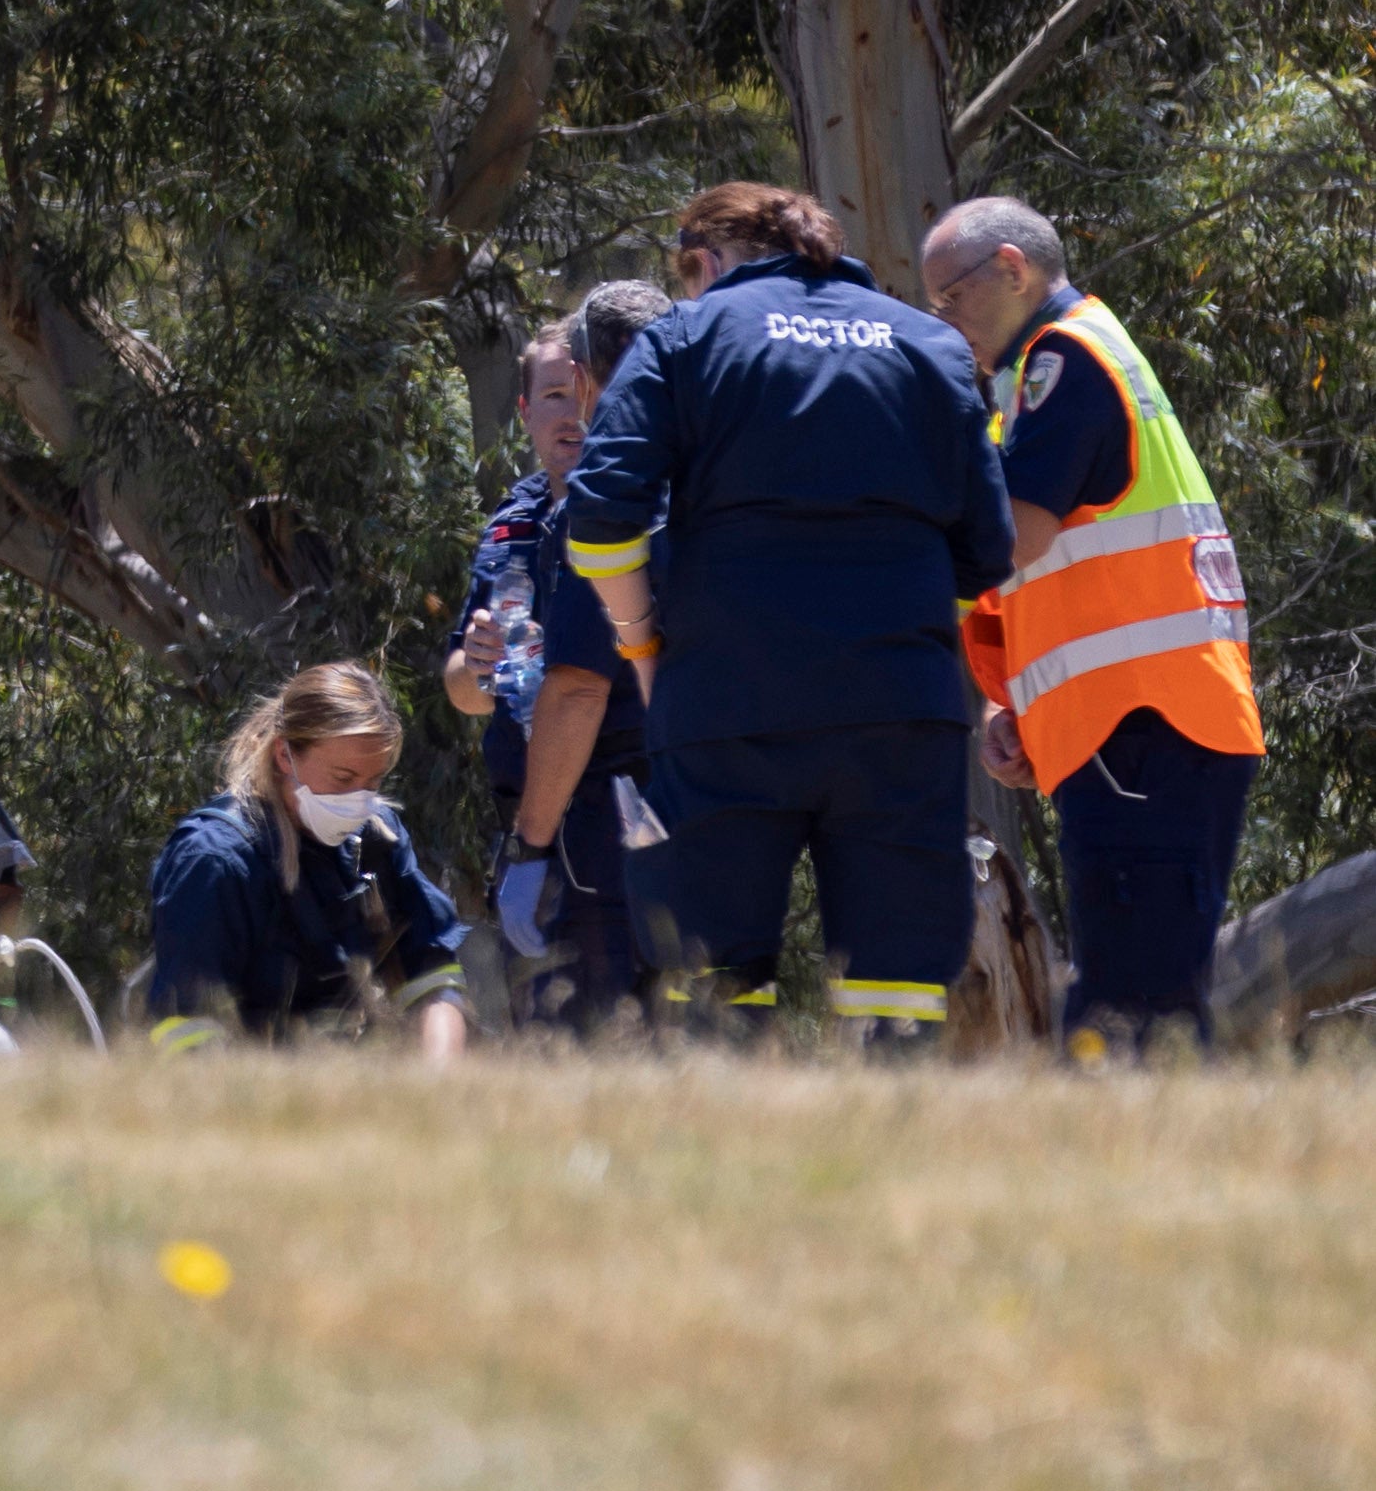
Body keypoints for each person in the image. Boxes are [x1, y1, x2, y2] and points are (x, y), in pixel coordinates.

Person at [556, 180, 1005, 1042]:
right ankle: (890, 1155)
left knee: (714, 974)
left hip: (725, 703)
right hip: (900, 710)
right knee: (899, 983)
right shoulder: (931, 346)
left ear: (706, 260)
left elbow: (604, 513)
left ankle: (729, 1161)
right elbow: (985, 548)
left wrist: (645, 650)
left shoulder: (686, 336)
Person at [920, 196, 1263, 1058]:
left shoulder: (1061, 360)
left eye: (950, 296)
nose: (944, 321)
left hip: (1145, 726)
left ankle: (1141, 1179)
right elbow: (1064, 572)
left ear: (1012, 267)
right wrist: (1022, 711)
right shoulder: (1067, 361)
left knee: (1127, 1005)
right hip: (1144, 727)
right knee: (1140, 994)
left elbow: (1014, 534)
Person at [444, 276, 675, 1033]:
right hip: (530, 814)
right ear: (524, 414)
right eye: (550, 396)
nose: (570, 413)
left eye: (577, 390)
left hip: (616, 806)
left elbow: (579, 689)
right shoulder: (512, 523)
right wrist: (477, 665)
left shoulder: (640, 497)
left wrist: (537, 845)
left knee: (616, 1030)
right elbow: (465, 690)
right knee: (551, 1029)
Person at [136, 662, 472, 1049]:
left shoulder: (379, 839)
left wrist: (438, 1088)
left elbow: (435, 977)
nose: (360, 801)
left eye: (374, 782)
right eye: (343, 779)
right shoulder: (214, 861)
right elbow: (189, 1031)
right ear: (284, 755)